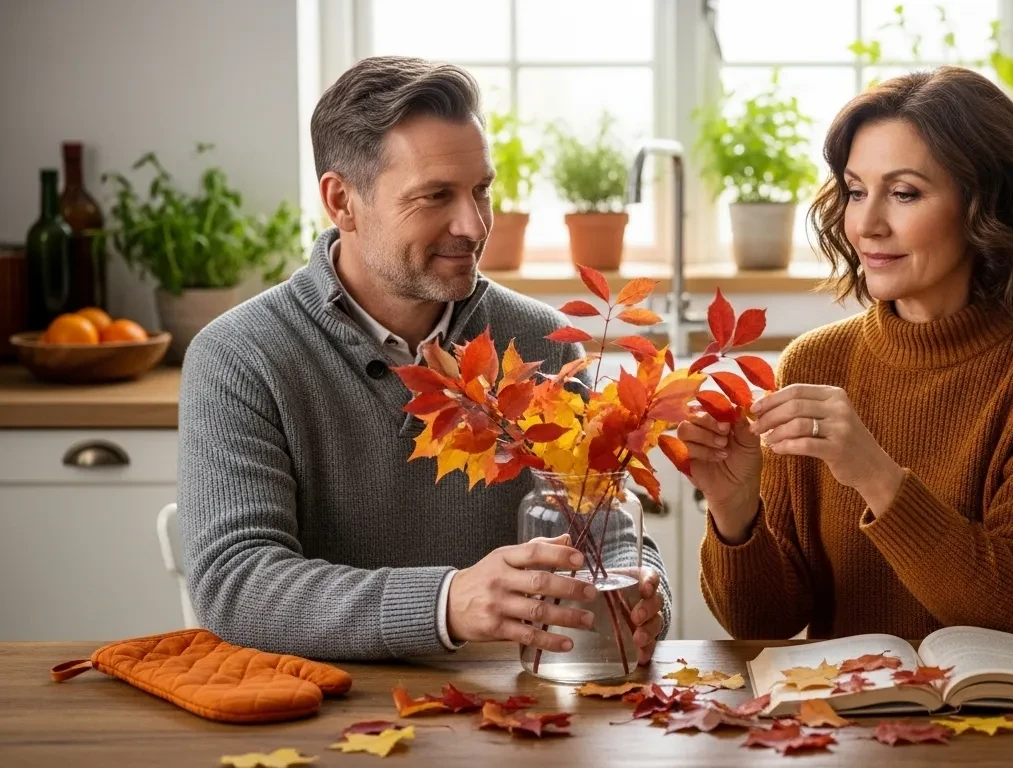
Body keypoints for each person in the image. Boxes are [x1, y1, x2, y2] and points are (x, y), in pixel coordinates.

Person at [178, 56, 670, 661]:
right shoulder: (239, 357)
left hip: (514, 701)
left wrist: (645, 597)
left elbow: (610, 535)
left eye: (481, 190)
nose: (474, 225)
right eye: (436, 195)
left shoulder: (545, 344)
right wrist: (446, 603)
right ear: (342, 201)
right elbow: (235, 583)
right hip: (323, 707)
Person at [681, 68, 1013, 642]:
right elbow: (765, 623)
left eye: (904, 193)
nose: (866, 225)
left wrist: (873, 473)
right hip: (854, 696)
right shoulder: (815, 363)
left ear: (985, 205)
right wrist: (735, 512)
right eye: (856, 191)